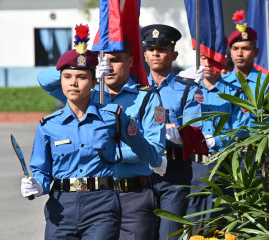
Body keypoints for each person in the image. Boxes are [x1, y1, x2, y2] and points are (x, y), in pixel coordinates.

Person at [20, 24, 165, 240]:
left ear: (93, 81)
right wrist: (37, 185)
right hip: (61, 205)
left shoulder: (113, 115)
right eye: (67, 77)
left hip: (105, 202)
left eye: (82, 77)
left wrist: (122, 155)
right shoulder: (48, 124)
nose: (73, 83)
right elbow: (41, 168)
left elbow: (147, 150)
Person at [141, 24, 201, 240]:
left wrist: (177, 132)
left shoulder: (188, 89)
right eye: (152, 49)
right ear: (145, 55)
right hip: (140, 171)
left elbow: (194, 127)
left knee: (169, 235)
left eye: (163, 49)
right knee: (140, 233)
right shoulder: (133, 88)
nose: (156, 53)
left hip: (174, 171)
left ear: (174, 54)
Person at [183, 54, 235, 233]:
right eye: (203, 58)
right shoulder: (190, 90)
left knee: (219, 219)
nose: (206, 64)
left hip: (222, 163)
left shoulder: (234, 91)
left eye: (212, 59)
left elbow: (239, 128)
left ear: (223, 60)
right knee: (194, 218)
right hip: (195, 163)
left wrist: (217, 139)